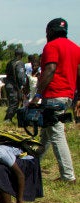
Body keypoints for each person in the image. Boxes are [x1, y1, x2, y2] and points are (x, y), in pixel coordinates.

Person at [30, 18, 78, 184]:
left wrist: (38, 95)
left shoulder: (52, 46)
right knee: (47, 134)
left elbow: (50, 70)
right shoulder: (75, 48)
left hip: (53, 95)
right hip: (67, 96)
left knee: (57, 135)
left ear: (50, 31)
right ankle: (32, 166)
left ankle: (68, 176)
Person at [3, 48, 27, 122]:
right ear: (21, 55)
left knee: (12, 101)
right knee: (15, 102)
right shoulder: (19, 63)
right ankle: (8, 118)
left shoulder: (10, 63)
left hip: (8, 85)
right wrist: (24, 85)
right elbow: (20, 76)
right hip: (14, 86)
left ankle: (9, 117)